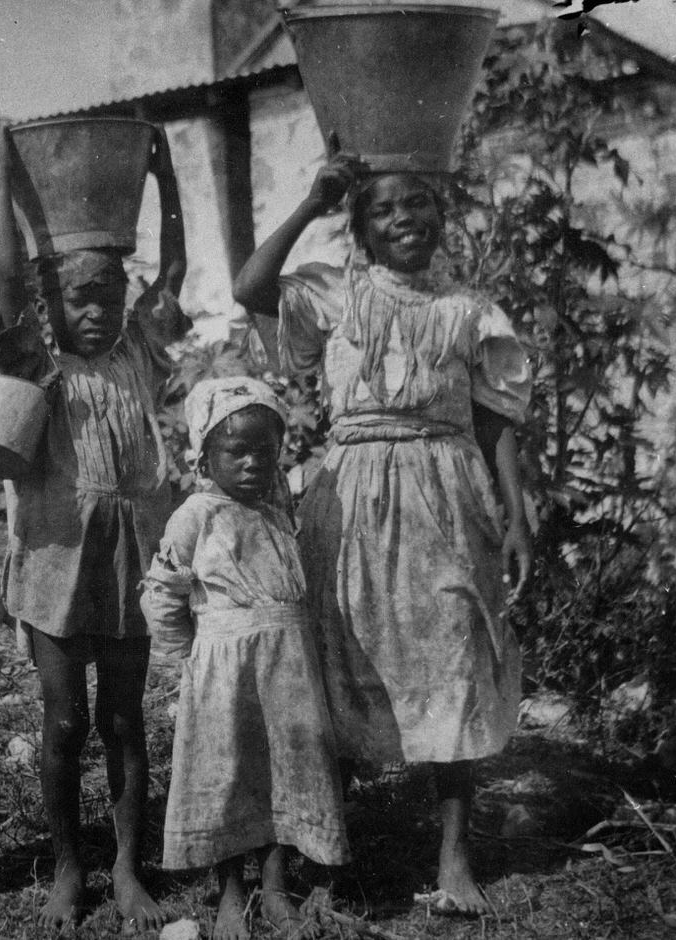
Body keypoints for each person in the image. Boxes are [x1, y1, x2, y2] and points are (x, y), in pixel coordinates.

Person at [232, 147, 533, 916]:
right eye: (384, 210)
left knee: (456, 653)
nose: (405, 219)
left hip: (447, 495)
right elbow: (251, 286)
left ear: (441, 217)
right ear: (361, 229)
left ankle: (454, 857)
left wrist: (516, 509)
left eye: (418, 204)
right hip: (355, 492)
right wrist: (310, 201)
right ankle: (332, 857)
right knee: (341, 658)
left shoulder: (470, 312)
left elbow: (497, 416)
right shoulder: (338, 296)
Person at [0, 119, 188, 932]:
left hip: (132, 555)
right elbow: (3, 279)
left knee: (125, 719)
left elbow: (172, 267)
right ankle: (69, 869)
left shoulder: (138, 348)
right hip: (57, 558)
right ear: (50, 301)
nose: (97, 311)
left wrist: (165, 181)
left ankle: (129, 867)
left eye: (110, 294)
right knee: (63, 720)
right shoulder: (37, 359)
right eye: (80, 296)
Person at [141, 377, 350, 940]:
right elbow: (162, 591)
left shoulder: (280, 513)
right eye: (237, 450)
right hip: (223, 673)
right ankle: (233, 892)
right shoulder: (196, 516)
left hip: (287, 669)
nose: (254, 462)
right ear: (206, 456)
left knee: (285, 774)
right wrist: (184, 659)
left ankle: (277, 890)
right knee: (227, 776)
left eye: (266, 449)